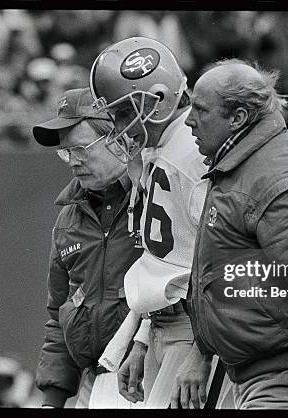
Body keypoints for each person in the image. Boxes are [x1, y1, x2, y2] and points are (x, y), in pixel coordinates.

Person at [179, 58, 288, 410]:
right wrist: (202, 350)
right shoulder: (248, 163)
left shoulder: (277, 173)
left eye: (200, 109)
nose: (189, 119)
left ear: (238, 118)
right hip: (267, 375)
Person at [89, 37, 223, 408]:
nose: (116, 127)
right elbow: (163, 260)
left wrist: (204, 350)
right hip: (166, 323)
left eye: (120, 113)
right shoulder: (160, 148)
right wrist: (144, 336)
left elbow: (221, 261)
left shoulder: (194, 151)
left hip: (196, 328)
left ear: (157, 101)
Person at [33, 88, 144, 408]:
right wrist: (51, 401)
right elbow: (57, 315)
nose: (73, 161)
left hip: (148, 375)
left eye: (81, 148)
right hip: (94, 384)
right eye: (66, 152)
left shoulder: (155, 199)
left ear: (117, 138)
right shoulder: (68, 219)